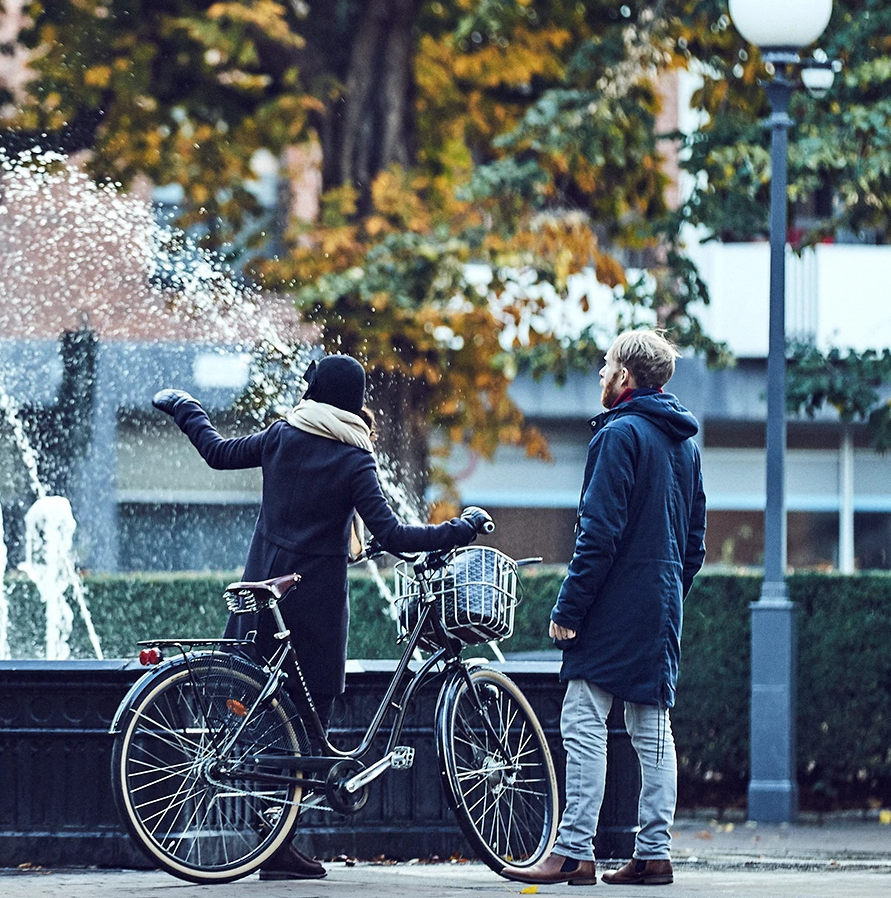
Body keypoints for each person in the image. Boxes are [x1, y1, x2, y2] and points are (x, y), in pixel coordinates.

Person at [152, 353, 493, 881]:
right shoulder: (353, 457)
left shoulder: (282, 436)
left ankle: (275, 845)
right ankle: (279, 845)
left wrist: (185, 406)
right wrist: (461, 527)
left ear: (317, 392)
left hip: (263, 587)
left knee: (270, 717)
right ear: (353, 399)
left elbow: (217, 453)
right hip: (312, 603)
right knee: (311, 722)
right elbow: (398, 536)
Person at [505, 329, 706, 887]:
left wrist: (569, 608)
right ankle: (653, 853)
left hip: (613, 604)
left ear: (625, 377)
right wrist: (665, 592)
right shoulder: (683, 443)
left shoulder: (619, 435)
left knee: (584, 722)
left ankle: (574, 851)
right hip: (660, 605)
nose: (599, 374)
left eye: (606, 366)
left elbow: (597, 533)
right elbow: (696, 544)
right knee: (652, 729)